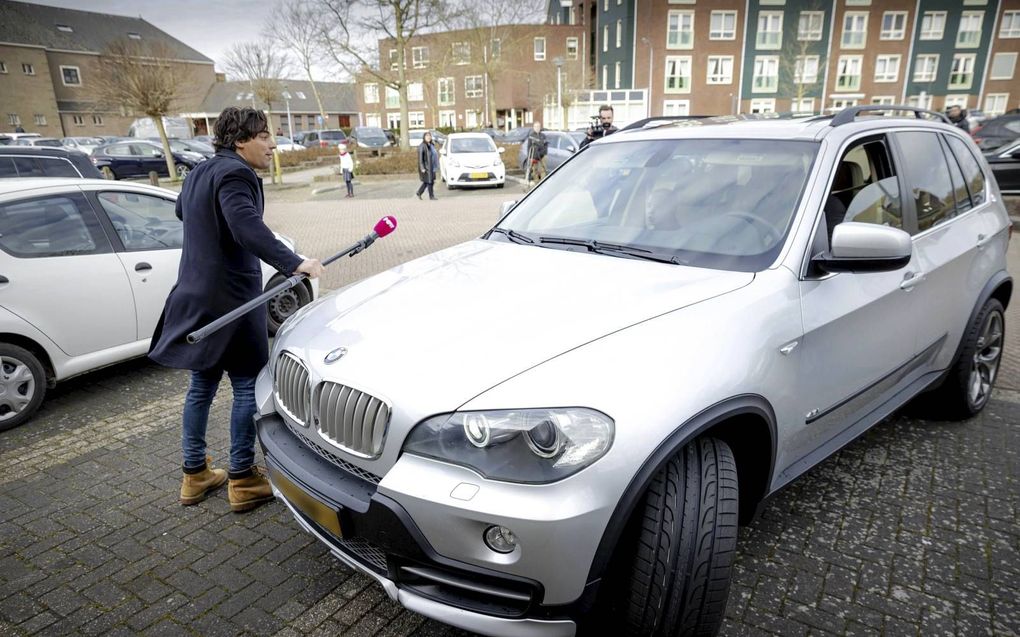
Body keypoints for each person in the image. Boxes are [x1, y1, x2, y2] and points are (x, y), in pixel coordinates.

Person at [149, 106, 325, 513]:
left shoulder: (199, 172)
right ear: (241, 140)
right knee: (247, 384)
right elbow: (246, 227)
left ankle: (195, 475)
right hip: (232, 300)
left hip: (195, 294)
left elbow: (182, 211)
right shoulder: (236, 173)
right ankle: (242, 479)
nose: (273, 144)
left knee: (202, 385)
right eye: (265, 136)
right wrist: (295, 261)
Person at [416, 131, 439, 200]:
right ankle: (431, 196)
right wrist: (422, 168)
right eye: (427, 136)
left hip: (432, 166)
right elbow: (420, 159)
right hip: (426, 167)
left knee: (427, 181)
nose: (428, 137)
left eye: (429, 136)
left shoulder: (431, 145)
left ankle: (419, 192)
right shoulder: (422, 146)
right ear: (424, 137)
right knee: (430, 182)